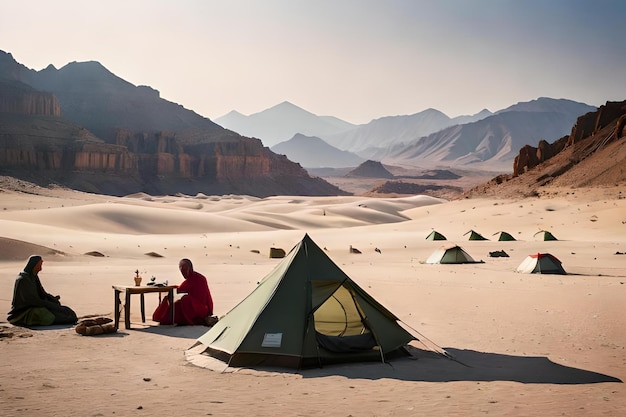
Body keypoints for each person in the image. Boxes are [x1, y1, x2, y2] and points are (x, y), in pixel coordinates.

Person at [7, 255, 77, 326]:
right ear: (33, 265)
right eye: (39, 265)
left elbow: (42, 293)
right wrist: (50, 305)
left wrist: (52, 299)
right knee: (60, 317)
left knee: (67, 311)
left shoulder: (33, 276)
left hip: (39, 305)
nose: (40, 268)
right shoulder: (23, 279)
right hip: (25, 312)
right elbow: (32, 301)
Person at [152, 258, 214, 325]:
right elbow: (181, 288)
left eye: (184, 270)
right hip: (203, 308)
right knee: (178, 304)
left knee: (184, 300)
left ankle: (191, 320)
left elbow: (179, 289)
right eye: (181, 270)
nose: (183, 273)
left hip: (202, 310)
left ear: (190, 269)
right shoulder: (196, 277)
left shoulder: (195, 278)